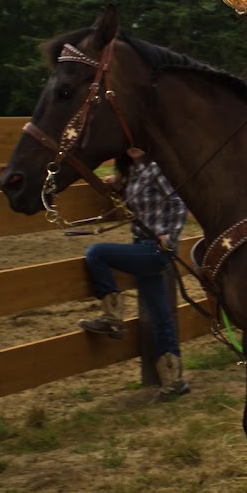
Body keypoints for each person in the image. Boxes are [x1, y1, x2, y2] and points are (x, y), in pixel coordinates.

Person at [76, 151, 191, 399]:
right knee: (160, 314)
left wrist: (170, 236)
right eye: (130, 144)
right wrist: (119, 187)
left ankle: (112, 318)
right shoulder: (133, 172)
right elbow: (140, 204)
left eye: (139, 143)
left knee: (96, 253)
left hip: (155, 249)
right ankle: (174, 381)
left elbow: (178, 204)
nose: (134, 148)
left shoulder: (157, 169)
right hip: (142, 245)